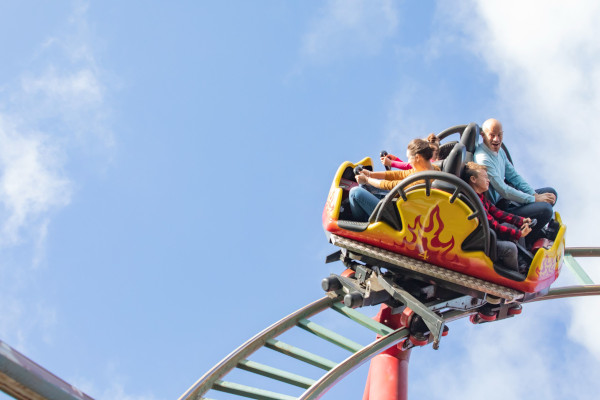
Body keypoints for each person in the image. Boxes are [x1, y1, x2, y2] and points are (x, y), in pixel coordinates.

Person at [473, 118, 557, 246]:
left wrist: (533, 194)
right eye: (492, 135)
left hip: (508, 200)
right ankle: (528, 244)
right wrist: (534, 200)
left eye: (499, 135)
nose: (496, 139)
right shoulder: (483, 159)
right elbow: (504, 190)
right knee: (546, 209)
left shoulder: (499, 152)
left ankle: (540, 229)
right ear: (483, 135)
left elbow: (514, 176)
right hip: (498, 208)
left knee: (551, 192)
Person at [463, 162, 532, 273]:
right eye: (485, 177)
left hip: (486, 234)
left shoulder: (480, 197)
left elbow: (498, 212)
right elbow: (494, 225)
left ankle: (523, 262)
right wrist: (519, 234)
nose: (488, 180)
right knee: (510, 248)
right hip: (479, 240)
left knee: (510, 226)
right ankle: (516, 276)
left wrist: (521, 220)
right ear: (473, 179)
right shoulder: (473, 200)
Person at [350, 138, 440, 222]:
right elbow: (398, 174)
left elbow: (390, 185)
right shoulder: (432, 169)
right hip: (401, 205)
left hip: (398, 217)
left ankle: (363, 221)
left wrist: (366, 179)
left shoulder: (421, 180)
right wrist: (370, 174)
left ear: (418, 157)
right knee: (365, 186)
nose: (408, 161)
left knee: (355, 192)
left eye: (409, 158)